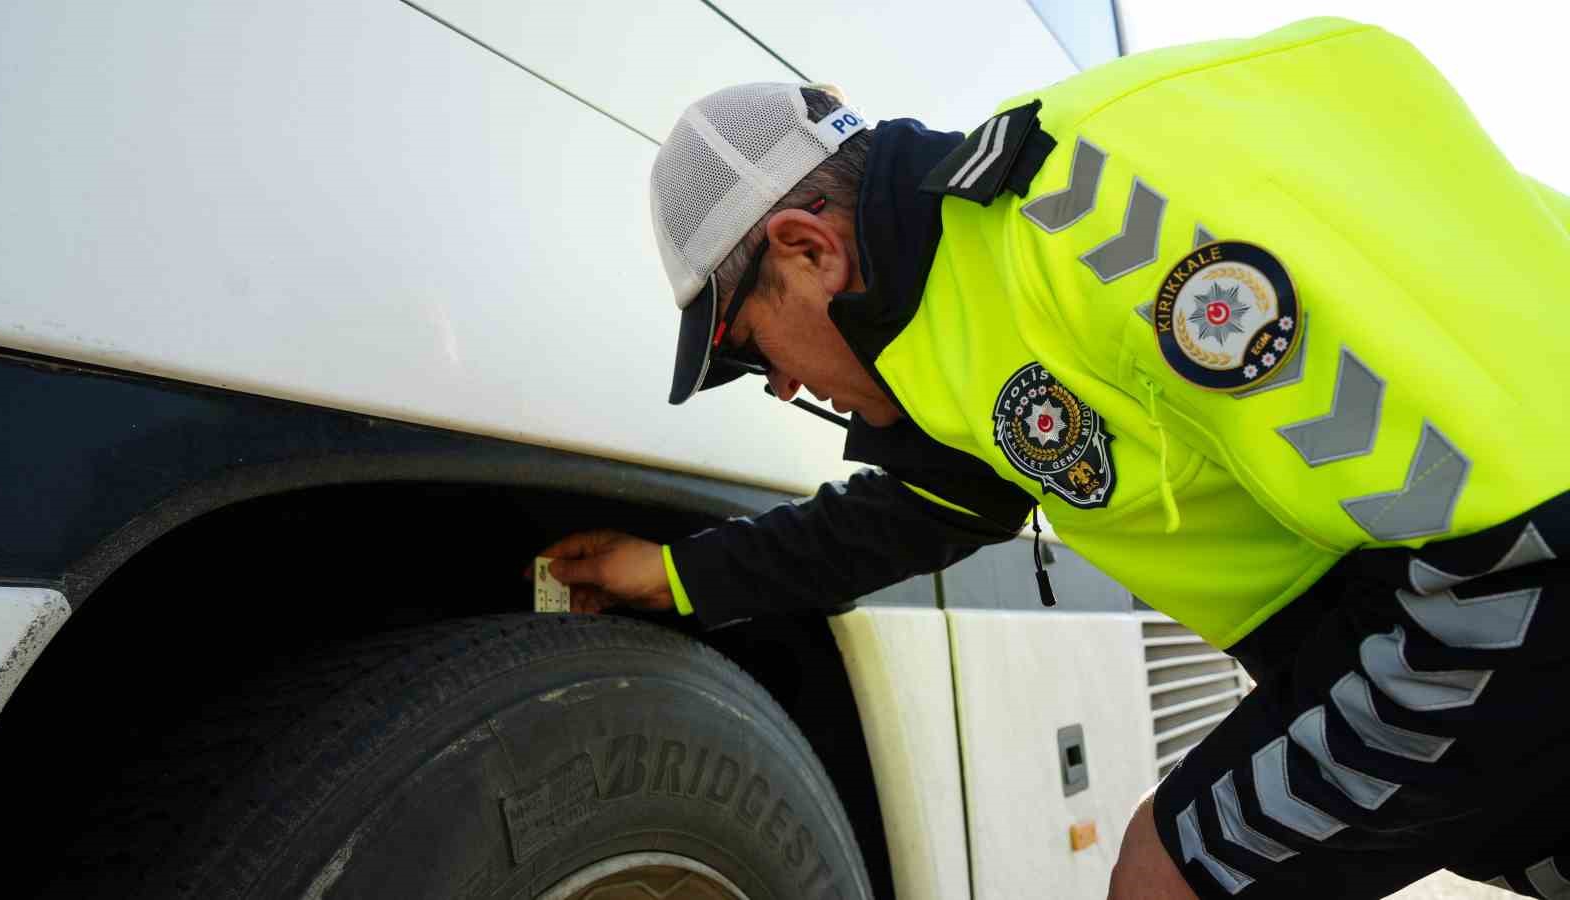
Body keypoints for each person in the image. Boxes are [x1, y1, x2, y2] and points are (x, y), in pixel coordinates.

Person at [534, 17, 1570, 900]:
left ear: (808, 250)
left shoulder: (1095, 224)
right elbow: (924, 507)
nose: (783, 388)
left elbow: (1499, 544)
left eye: (748, 348)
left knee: (1165, 868)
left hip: (1515, 562)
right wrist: (670, 575)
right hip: (1460, 581)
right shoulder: (969, 298)